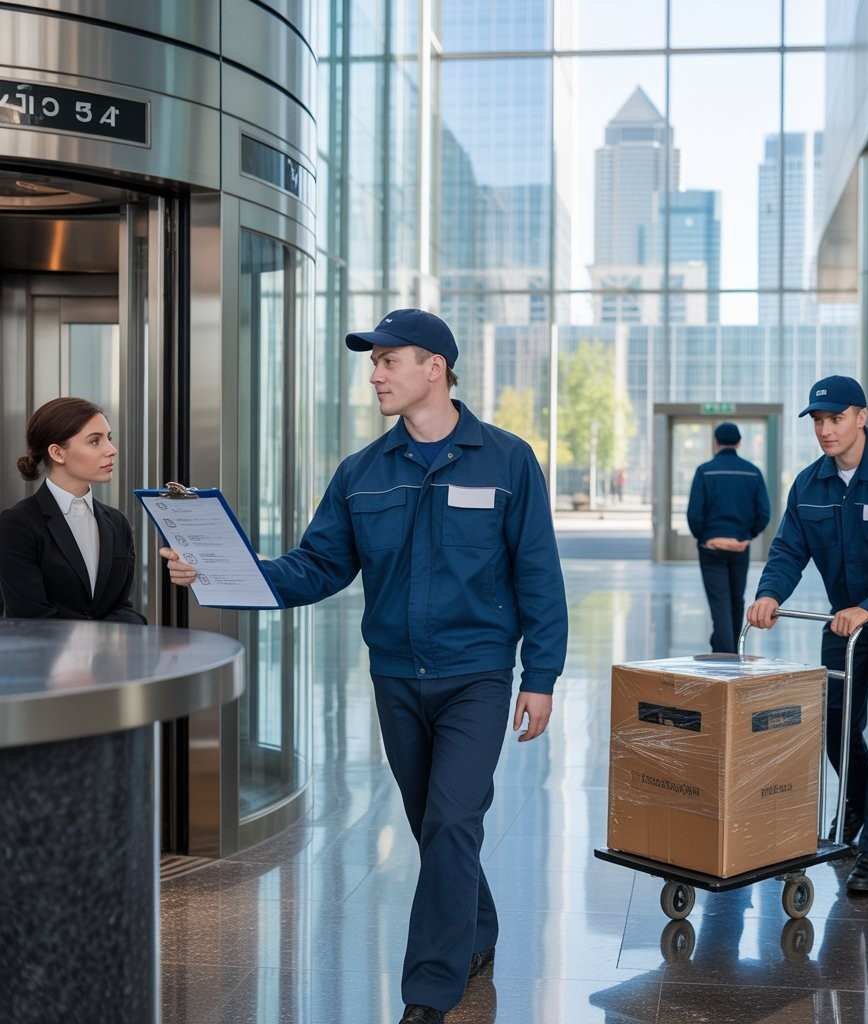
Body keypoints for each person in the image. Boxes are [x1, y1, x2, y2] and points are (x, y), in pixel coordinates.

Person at [160, 309, 568, 1024]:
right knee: (434, 822)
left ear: (434, 367)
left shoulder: (507, 461)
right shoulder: (362, 473)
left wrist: (541, 676)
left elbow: (538, 574)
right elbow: (316, 566)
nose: (375, 374)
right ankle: (477, 929)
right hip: (396, 678)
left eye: (389, 360)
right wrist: (221, 575)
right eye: (372, 362)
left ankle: (427, 992)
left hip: (476, 674)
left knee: (451, 818)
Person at [747, 375, 868, 895]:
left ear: (861, 417)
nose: (826, 431)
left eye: (835, 419)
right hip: (843, 623)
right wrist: (770, 593)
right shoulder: (811, 485)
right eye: (818, 421)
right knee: (832, 722)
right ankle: (857, 799)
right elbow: (789, 549)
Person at [0, 396, 145, 624]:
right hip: (44, 658)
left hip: (111, 659)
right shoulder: (17, 524)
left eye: (108, 438)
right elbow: (30, 617)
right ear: (58, 453)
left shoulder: (117, 523)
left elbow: (123, 608)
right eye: (95, 441)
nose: (112, 450)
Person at [686, 422, 770, 653]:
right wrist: (746, 537)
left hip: (711, 547)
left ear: (715, 443)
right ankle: (731, 649)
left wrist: (705, 538)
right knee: (736, 599)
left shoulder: (704, 471)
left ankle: (725, 654)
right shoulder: (753, 472)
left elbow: (694, 513)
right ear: (739, 443)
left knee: (719, 601)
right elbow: (764, 513)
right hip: (739, 547)